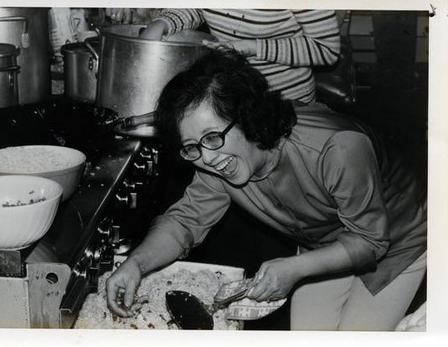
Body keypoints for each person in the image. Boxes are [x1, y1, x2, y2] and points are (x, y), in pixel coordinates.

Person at [106, 49, 426, 331]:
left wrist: (293, 268)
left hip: (398, 240)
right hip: (324, 241)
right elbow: (184, 223)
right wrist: (135, 264)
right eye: (192, 147)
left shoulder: (338, 147)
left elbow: (370, 241)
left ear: (247, 117)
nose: (207, 158)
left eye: (213, 137)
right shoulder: (216, 160)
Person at [139, 9, 341, 105]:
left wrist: (253, 47)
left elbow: (327, 50)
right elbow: (195, 7)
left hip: (285, 102)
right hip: (230, 97)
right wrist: (162, 23)